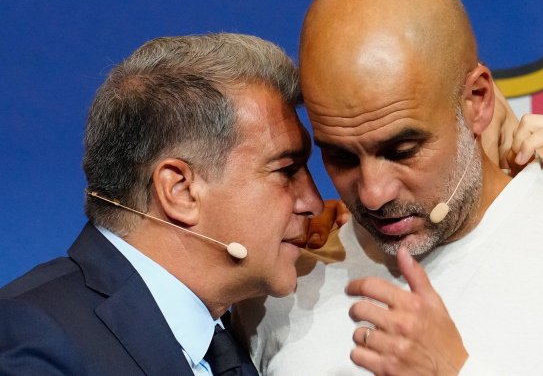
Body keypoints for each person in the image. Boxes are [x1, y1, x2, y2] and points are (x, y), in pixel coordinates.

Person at [234, 0, 543, 375]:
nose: (373, 193)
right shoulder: (282, 284)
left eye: (403, 150)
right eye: (341, 157)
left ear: (477, 101)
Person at [0, 33, 325, 375]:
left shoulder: (231, 345)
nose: (313, 202)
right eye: (287, 170)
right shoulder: (30, 340)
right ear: (181, 191)